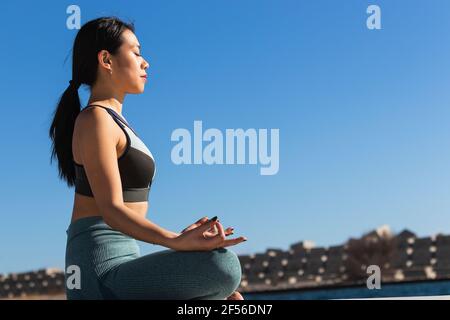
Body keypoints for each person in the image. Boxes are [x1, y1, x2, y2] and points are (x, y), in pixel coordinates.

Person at [48, 16, 247, 300]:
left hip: (127, 260)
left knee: (230, 296)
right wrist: (176, 242)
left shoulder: (116, 122)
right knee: (223, 267)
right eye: (136, 52)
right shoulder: (95, 119)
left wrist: (183, 241)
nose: (145, 62)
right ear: (106, 59)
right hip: (97, 271)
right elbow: (112, 209)